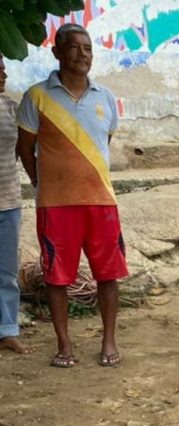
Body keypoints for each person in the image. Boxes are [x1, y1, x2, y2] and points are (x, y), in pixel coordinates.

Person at [16, 24, 126, 368]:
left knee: (108, 274)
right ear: (57, 52)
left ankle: (108, 341)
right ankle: (64, 345)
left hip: (102, 203)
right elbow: (25, 148)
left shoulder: (105, 98)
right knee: (56, 277)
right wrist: (42, 183)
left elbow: (100, 146)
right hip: (55, 205)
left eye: (88, 48)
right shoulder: (36, 97)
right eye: (74, 47)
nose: (82, 54)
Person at [0, 54, 34, 356]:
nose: (3, 73)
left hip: (8, 203)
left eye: (2, 68)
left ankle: (7, 331)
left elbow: (22, 152)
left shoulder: (13, 109)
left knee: (6, 272)